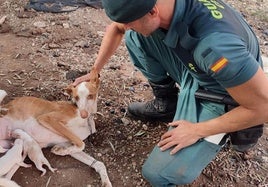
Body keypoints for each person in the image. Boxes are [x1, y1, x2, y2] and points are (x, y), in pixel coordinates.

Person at [73, 0, 268, 186]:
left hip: (224, 89)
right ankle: (167, 103)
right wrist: (94, 72)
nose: (126, 26)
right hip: (197, 66)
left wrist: (197, 130)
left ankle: (242, 126)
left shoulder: (216, 48)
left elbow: (265, 107)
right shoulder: (161, 6)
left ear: (152, 11)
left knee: (157, 174)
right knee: (136, 36)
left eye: (129, 22)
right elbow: (117, 28)